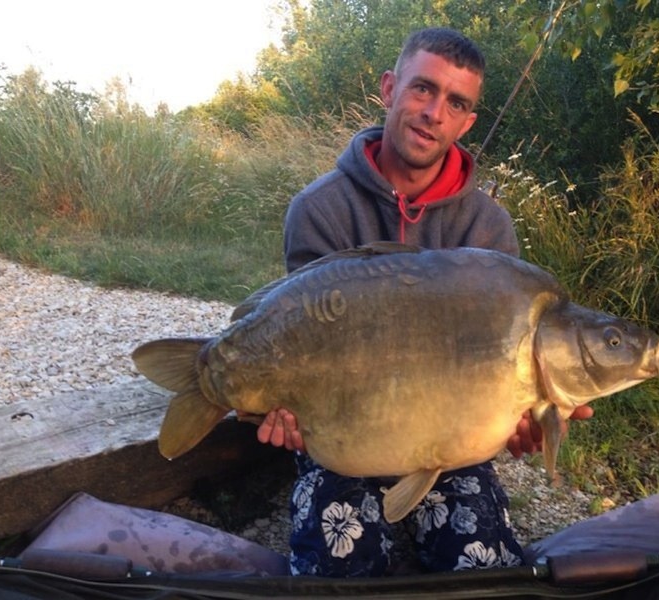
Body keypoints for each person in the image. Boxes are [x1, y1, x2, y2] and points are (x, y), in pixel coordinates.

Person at [253, 27, 592, 577]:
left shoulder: (488, 226)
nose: (435, 112)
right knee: (338, 570)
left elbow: (499, 389)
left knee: (485, 571)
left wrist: (523, 424)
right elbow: (302, 341)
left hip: (450, 450)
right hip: (347, 433)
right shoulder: (320, 208)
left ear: (467, 122)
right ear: (389, 89)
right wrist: (286, 412)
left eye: (456, 103)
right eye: (423, 90)